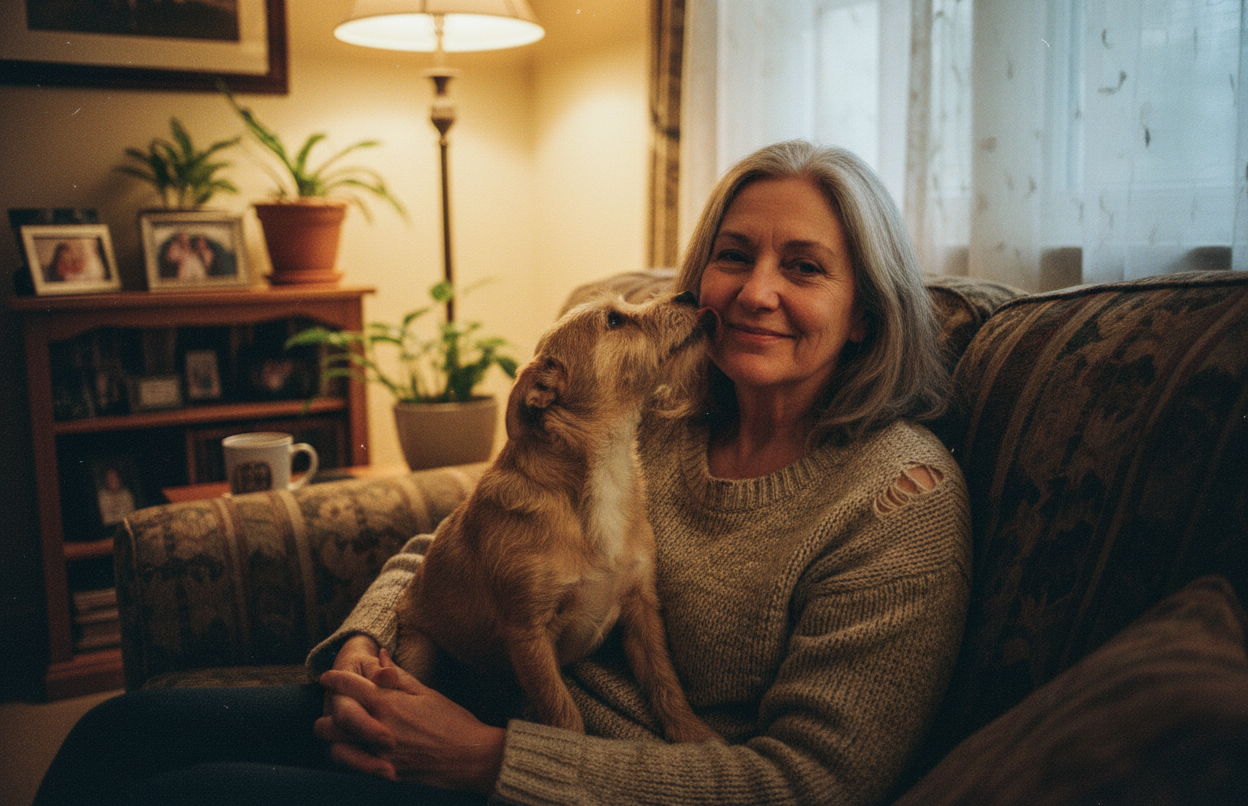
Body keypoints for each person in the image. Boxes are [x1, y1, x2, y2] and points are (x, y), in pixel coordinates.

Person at [35, 140, 970, 806]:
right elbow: (460, 539)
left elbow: (808, 783)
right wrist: (367, 647)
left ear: (865, 312)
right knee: (114, 737)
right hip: (452, 693)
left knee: (194, 796)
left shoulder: (898, 502)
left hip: (555, 783)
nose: (755, 292)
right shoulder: (654, 416)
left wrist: (491, 762)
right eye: (734, 257)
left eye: (803, 268)